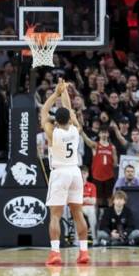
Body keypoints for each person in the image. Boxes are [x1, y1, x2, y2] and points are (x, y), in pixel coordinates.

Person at [41, 79, 90, 266]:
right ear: (69, 118)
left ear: (57, 120)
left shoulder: (52, 132)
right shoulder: (76, 131)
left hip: (60, 172)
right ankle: (84, 252)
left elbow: (44, 112)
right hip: (75, 172)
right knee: (78, 213)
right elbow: (70, 111)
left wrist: (56, 93)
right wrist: (65, 92)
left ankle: (55, 253)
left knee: (55, 215)